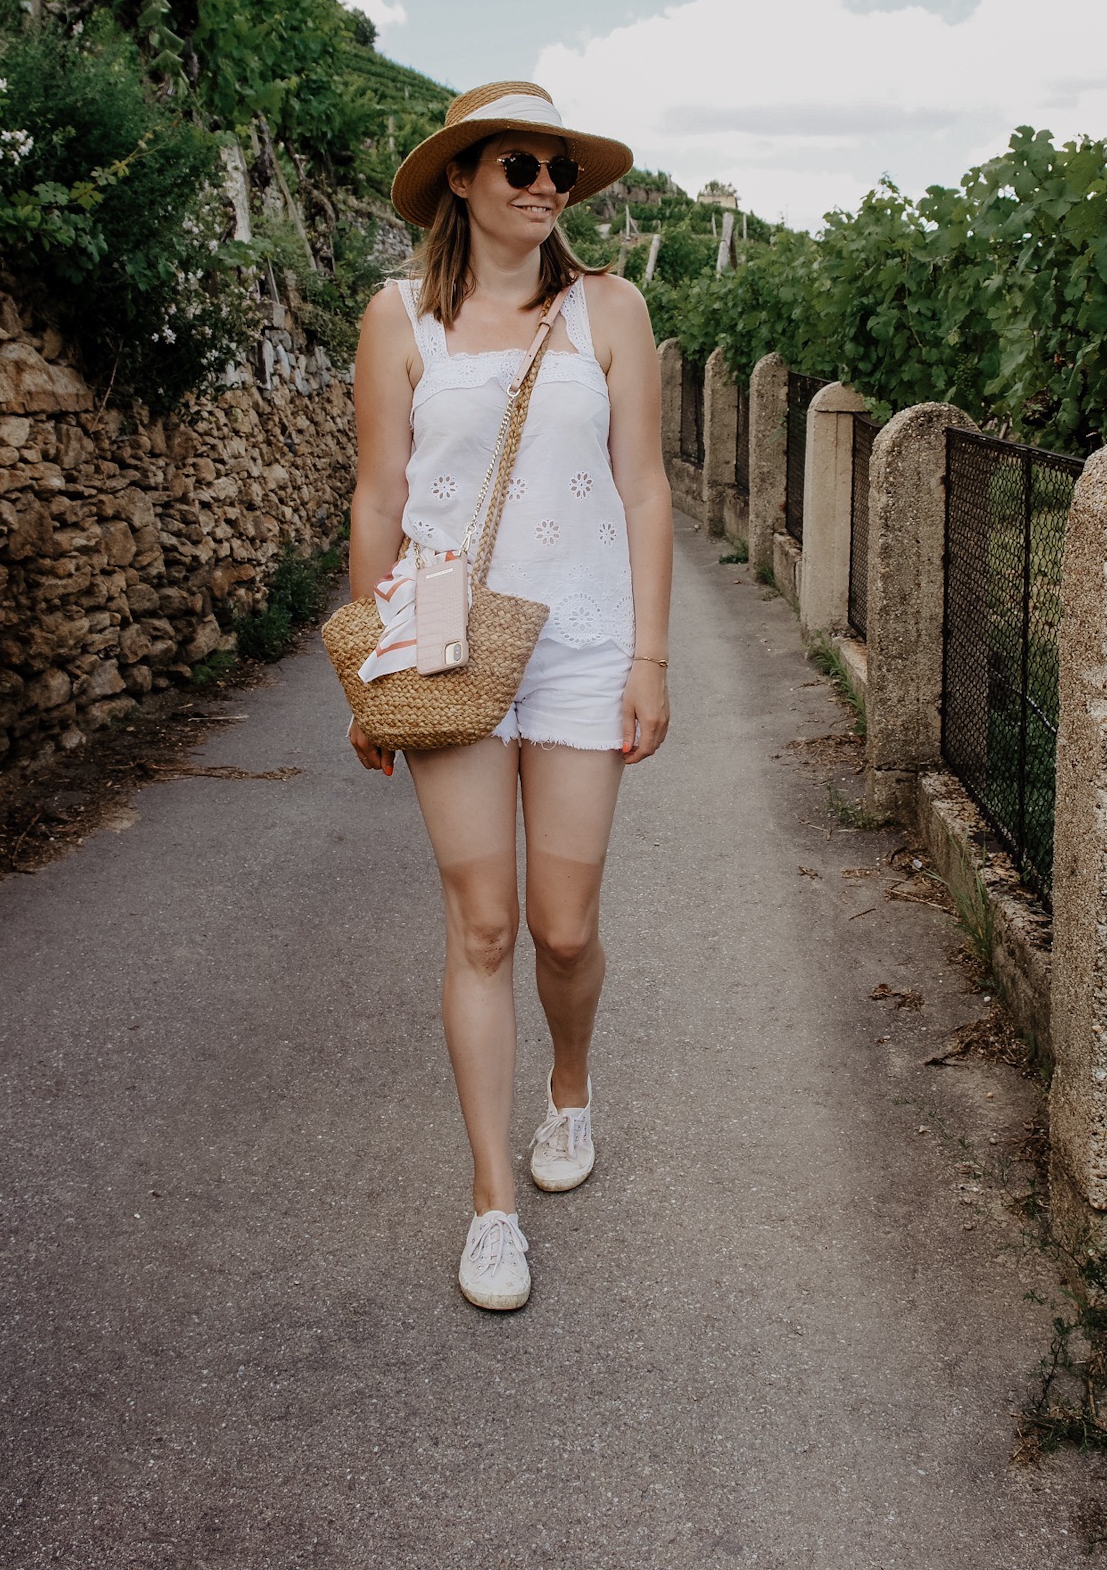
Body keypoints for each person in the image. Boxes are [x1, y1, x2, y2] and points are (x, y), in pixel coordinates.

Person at [346, 80, 672, 1311]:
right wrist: (370, 667)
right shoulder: (399, 321)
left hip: (586, 640)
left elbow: (642, 487)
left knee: (562, 928)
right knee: (481, 923)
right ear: (465, 182)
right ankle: (492, 1203)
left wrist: (651, 655)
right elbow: (380, 498)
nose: (546, 186)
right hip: (438, 640)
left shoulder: (610, 309)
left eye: (559, 171)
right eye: (522, 165)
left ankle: (570, 1087)